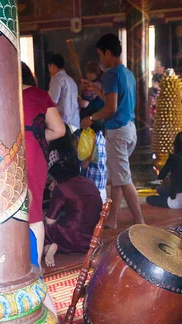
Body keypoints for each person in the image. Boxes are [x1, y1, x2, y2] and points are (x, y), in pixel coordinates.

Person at [80, 33, 144, 229]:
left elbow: (110, 108)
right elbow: (113, 100)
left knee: (124, 179)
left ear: (108, 53)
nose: (100, 60)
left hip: (117, 131)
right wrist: (96, 88)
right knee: (118, 177)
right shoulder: (127, 73)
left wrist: (90, 119)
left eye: (100, 55)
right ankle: (113, 219)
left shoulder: (110, 74)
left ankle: (140, 222)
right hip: (130, 129)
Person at [21, 61, 66, 266]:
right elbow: (59, 130)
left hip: (1, 152)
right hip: (34, 152)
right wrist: (36, 136)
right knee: (35, 210)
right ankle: (35, 265)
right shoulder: (39, 94)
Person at [43, 160, 103, 268]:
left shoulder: (62, 188)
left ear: (58, 177)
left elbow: (49, 220)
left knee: (38, 229)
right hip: (91, 238)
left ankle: (49, 247)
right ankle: (50, 248)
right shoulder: (89, 182)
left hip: (71, 236)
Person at [79, 61, 107, 203]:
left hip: (93, 127)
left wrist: (81, 93)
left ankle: (95, 202)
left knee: (90, 163)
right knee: (97, 165)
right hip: (96, 128)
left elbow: (84, 103)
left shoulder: (96, 87)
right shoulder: (100, 85)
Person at [147, 134, 182, 209]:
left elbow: (161, 175)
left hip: (177, 201)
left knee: (149, 198)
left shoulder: (173, 158)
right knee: (160, 190)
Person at [47, 54, 80, 128]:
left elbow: (52, 102)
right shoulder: (71, 80)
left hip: (63, 122)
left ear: (52, 65)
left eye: (49, 66)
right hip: (75, 122)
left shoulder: (56, 79)